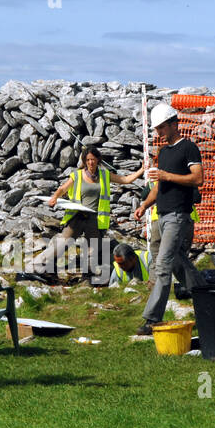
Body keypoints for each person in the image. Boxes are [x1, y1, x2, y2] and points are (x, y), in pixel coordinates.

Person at [133, 104, 204, 335]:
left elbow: (198, 178)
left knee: (162, 265)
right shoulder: (163, 153)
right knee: (176, 262)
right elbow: (159, 187)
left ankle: (152, 319)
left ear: (174, 124)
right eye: (156, 128)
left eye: (161, 127)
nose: (158, 133)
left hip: (178, 216)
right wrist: (144, 205)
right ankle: (205, 295)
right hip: (161, 216)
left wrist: (166, 175)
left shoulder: (189, 148)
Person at [36, 145, 146, 281]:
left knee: (92, 250)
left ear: (98, 160)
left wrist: (142, 169)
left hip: (95, 219)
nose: (90, 163)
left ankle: (87, 277)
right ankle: (40, 266)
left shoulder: (104, 175)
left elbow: (125, 180)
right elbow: (63, 188)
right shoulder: (77, 175)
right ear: (84, 161)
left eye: (93, 159)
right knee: (63, 243)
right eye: (87, 160)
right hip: (77, 217)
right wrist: (55, 197)